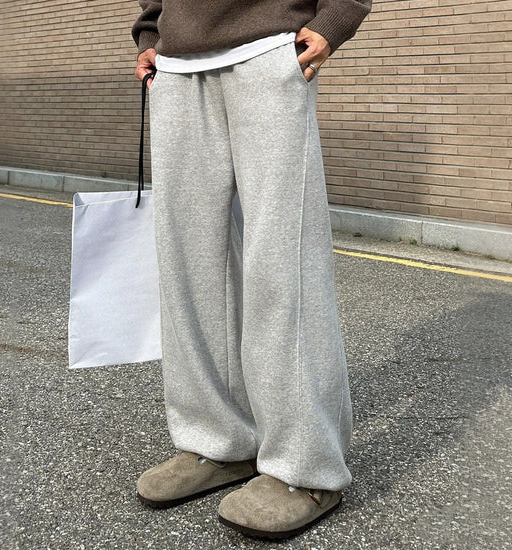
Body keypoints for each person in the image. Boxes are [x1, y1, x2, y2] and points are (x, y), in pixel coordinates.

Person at [131, 0, 372, 539]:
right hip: (176, 65)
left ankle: (306, 468)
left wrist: (335, 18)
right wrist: (150, 30)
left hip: (269, 50)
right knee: (189, 267)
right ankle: (218, 443)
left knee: (284, 263)